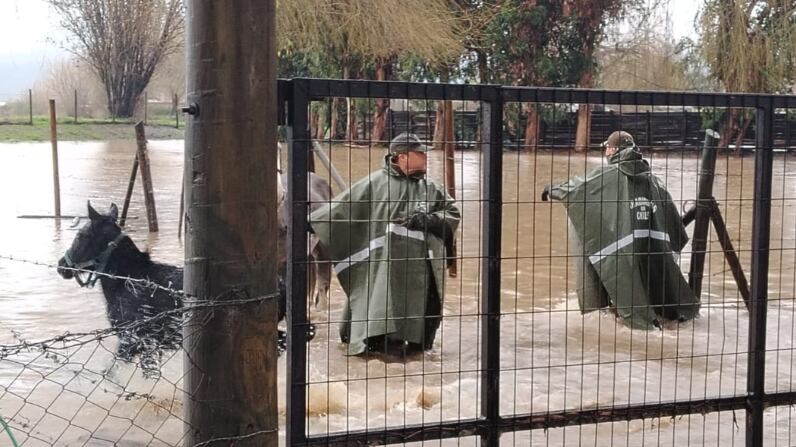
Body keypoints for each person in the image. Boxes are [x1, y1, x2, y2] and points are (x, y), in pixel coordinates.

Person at [310, 132, 460, 356]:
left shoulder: (432, 188)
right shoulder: (374, 184)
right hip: (382, 271)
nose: (426, 157)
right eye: (420, 153)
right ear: (401, 156)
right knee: (381, 329)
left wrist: (430, 220)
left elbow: (452, 213)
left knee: (418, 337)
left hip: (421, 275)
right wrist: (311, 223)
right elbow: (340, 210)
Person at [542, 130, 699, 328]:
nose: (606, 152)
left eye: (607, 148)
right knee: (656, 301)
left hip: (624, 257)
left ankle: (633, 320)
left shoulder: (606, 175)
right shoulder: (653, 180)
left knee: (625, 304)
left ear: (615, 150)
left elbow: (577, 189)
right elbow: (673, 224)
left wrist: (551, 190)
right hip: (653, 254)